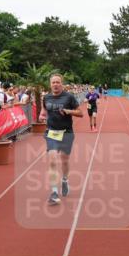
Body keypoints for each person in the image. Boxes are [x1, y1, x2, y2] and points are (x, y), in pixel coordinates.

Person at [38, 74, 84, 205]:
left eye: (58, 82)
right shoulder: (46, 97)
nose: (55, 84)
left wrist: (69, 112)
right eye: (53, 82)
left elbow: (80, 113)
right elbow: (43, 112)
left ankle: (64, 180)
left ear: (61, 84)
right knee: (52, 160)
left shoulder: (69, 97)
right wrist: (42, 117)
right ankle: (54, 192)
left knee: (64, 160)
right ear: (50, 84)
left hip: (66, 133)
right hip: (51, 132)